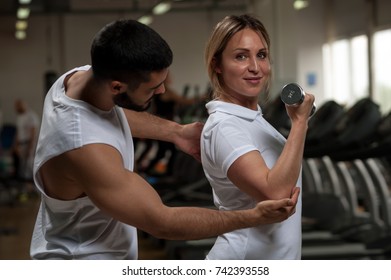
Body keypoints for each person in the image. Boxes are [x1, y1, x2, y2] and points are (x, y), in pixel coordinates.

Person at [29, 18, 300, 260]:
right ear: (117, 87)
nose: (162, 91)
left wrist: (176, 132)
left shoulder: (76, 81)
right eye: (153, 87)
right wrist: (252, 217)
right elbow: (163, 222)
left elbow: (107, 114)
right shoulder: (84, 149)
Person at [201, 14, 315, 259]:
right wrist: (299, 123)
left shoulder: (252, 120)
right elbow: (276, 194)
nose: (255, 67)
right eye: (241, 56)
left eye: (261, 55)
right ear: (217, 65)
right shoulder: (226, 127)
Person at [12, 99, 40, 196]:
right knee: (22, 167)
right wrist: (15, 145)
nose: (16, 108)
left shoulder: (31, 116)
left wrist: (30, 148)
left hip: (29, 144)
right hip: (21, 144)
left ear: (23, 105)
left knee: (30, 166)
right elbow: (18, 133)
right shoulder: (19, 117)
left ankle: (35, 189)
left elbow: (33, 133)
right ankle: (27, 189)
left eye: (18, 106)